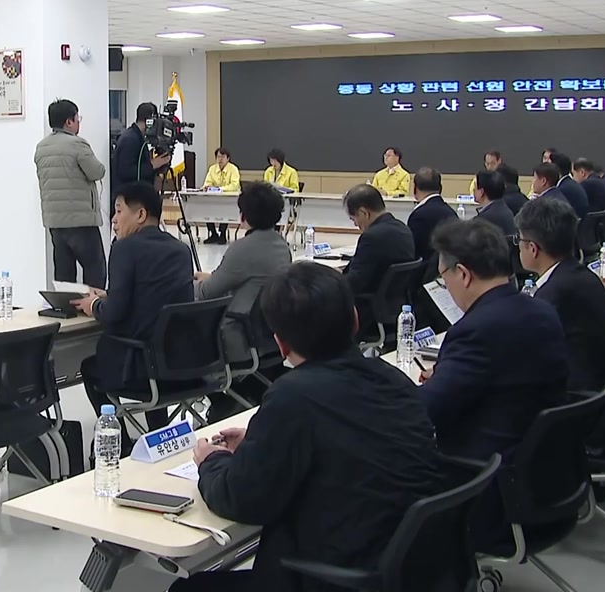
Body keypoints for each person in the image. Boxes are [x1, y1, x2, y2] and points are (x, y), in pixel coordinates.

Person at [176, 263, 441, 592]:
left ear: (281, 344)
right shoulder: (394, 380)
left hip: (333, 576)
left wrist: (211, 460)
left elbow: (241, 499)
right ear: (355, 319)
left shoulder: (293, 396)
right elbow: (343, 442)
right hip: (411, 568)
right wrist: (260, 442)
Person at [418, 220, 569, 545]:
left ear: (463, 274)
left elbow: (426, 411)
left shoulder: (475, 330)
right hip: (550, 474)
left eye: (444, 279)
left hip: (490, 488)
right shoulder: (542, 311)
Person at [72, 183, 193, 450]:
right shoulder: (181, 250)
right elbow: (154, 295)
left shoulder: (124, 248)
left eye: (118, 211)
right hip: (181, 365)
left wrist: (94, 304)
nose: (114, 220)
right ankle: (157, 433)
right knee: (153, 348)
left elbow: (114, 314)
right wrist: (111, 295)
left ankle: (120, 444)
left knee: (90, 368)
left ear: (140, 215)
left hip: (140, 368)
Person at [194, 182, 292, 420]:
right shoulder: (282, 247)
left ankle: (225, 403)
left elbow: (207, 293)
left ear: (243, 216)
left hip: (239, 340)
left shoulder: (242, 248)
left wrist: (191, 282)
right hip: (270, 339)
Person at [516, 197, 605, 392]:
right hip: (600, 391)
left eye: (519, 240)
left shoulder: (552, 294)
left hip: (574, 399)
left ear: (533, 248)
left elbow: (528, 357)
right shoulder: (586, 277)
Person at [35, 99, 108, 289]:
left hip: (55, 222)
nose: (78, 122)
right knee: (95, 269)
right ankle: (94, 305)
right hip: (81, 221)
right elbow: (97, 171)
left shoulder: (41, 147)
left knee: (64, 275)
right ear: (69, 121)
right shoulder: (77, 144)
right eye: (77, 118)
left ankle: (66, 306)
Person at [342, 184, 416, 333]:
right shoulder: (404, 229)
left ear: (364, 213)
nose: (355, 224)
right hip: (396, 307)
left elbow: (355, 282)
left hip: (368, 313)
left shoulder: (372, 237)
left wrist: (331, 281)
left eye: (353, 218)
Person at [112, 102, 171, 203]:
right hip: (129, 199)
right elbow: (125, 172)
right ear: (150, 121)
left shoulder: (139, 137)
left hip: (136, 197)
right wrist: (152, 165)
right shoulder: (130, 139)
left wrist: (157, 168)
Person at [407, 167, 456, 261]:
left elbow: (412, 251)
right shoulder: (451, 213)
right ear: (440, 188)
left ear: (415, 189)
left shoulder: (418, 216)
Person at [202, 147, 241, 244]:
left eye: (223, 157)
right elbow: (207, 182)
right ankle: (213, 234)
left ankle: (223, 234)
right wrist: (207, 187)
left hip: (230, 199)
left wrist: (221, 189)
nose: (220, 159)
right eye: (218, 157)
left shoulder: (233, 169)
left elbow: (234, 185)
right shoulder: (212, 169)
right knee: (206, 208)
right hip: (214, 198)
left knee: (225, 210)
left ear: (228, 158)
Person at [473, 170, 516, 236]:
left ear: (481, 192)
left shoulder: (483, 219)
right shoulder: (506, 210)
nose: (473, 190)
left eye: (475, 187)